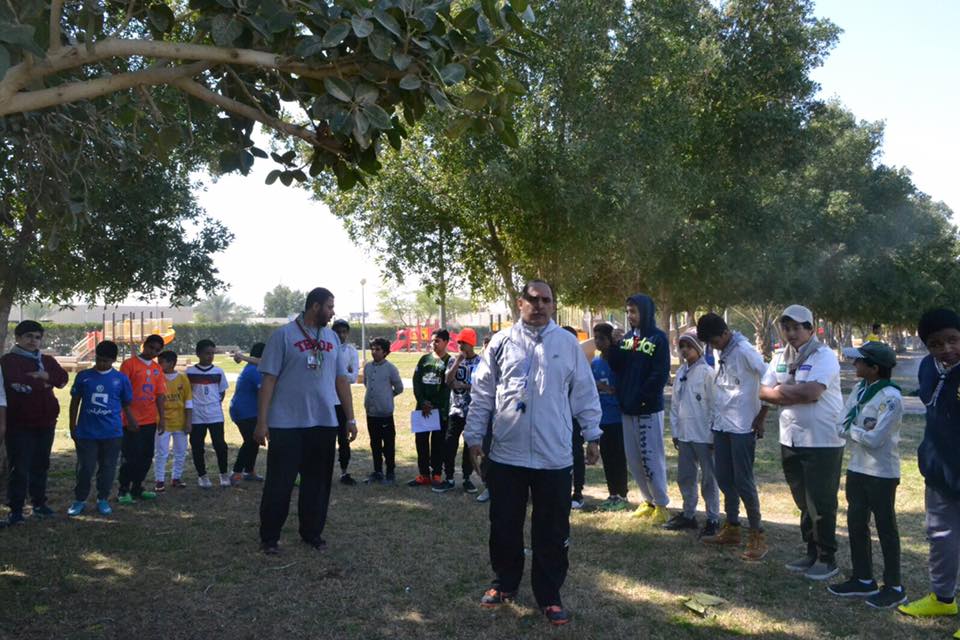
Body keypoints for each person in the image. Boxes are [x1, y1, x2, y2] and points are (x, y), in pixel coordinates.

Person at [464, 280, 603, 626]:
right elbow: (482, 393)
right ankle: (504, 583)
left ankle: (550, 594)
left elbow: (584, 393)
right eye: (533, 299)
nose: (540, 305)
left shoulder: (567, 344)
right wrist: (474, 437)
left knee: (552, 528)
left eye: (547, 300)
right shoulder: (500, 343)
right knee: (504, 524)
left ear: (553, 305)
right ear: (519, 302)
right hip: (508, 454)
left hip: (553, 455)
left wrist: (592, 434)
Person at [255, 287, 357, 555]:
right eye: (329, 307)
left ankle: (312, 532)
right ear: (315, 306)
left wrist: (351, 418)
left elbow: (341, 380)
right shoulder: (283, 336)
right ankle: (270, 537)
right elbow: (268, 380)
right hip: (286, 423)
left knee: (318, 483)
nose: (333, 312)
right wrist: (261, 422)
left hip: (323, 422)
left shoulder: (332, 338)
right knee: (280, 482)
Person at [760, 305, 844, 580]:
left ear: (810, 328)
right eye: (787, 328)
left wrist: (781, 391)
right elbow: (762, 390)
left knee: (820, 502)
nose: (791, 333)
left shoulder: (824, 356)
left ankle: (826, 558)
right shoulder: (780, 357)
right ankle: (811, 551)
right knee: (802, 501)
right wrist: (786, 393)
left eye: (797, 327)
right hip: (791, 438)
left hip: (821, 440)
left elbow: (812, 392)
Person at [827, 341, 906, 609]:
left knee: (886, 528)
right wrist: (857, 432)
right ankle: (863, 578)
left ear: (874, 368)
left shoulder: (891, 398)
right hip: (857, 468)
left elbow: (874, 439)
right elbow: (840, 424)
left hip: (881, 473)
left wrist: (854, 432)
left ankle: (894, 585)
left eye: (859, 361)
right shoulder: (861, 389)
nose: (854, 364)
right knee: (856, 523)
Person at [898, 309, 960, 624]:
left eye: (953, 339)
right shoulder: (927, 367)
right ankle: (942, 598)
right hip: (939, 474)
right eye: (936, 344)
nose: (946, 349)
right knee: (940, 537)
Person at [696, 312, 769, 556]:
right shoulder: (722, 352)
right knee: (725, 478)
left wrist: (762, 415)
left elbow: (769, 378)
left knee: (743, 481)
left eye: (714, 341)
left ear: (725, 333)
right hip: (722, 425)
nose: (713, 347)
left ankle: (757, 534)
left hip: (742, 426)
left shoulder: (745, 351)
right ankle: (732, 528)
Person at [602, 294, 671, 524]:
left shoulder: (659, 339)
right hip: (627, 408)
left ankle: (661, 504)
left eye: (634, 311)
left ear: (645, 311)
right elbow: (617, 366)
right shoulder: (627, 339)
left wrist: (642, 398)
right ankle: (647, 500)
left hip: (647, 408)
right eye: (628, 311)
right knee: (634, 459)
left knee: (650, 457)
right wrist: (613, 345)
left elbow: (659, 374)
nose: (630, 316)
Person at [2, 321, 68, 525]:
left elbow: (63, 379)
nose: (33, 341)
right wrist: (46, 383)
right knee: (20, 467)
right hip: (20, 424)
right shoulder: (9, 360)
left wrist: (43, 375)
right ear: (18, 338)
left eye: (37, 337)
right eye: (29, 336)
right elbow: (17, 385)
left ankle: (39, 503)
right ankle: (16, 510)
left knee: (41, 464)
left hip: (46, 421)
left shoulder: (46, 360)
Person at [67, 341, 134, 516]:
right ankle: (79, 499)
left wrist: (132, 421)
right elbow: (75, 402)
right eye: (99, 359)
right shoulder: (84, 376)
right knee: (85, 468)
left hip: (112, 433)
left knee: (108, 468)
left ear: (113, 360)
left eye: (106, 361)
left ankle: (102, 499)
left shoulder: (121, 379)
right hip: (87, 433)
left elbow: (126, 403)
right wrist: (72, 425)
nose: (101, 363)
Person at [665, 332, 719, 533]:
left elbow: (715, 405)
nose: (685, 350)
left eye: (689, 346)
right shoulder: (680, 373)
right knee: (685, 476)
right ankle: (689, 514)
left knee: (708, 479)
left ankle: (713, 518)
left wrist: (713, 433)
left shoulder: (707, 373)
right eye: (682, 346)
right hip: (685, 435)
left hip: (704, 435)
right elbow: (676, 405)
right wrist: (676, 431)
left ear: (699, 347)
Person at [118, 334, 167, 504]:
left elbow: (160, 394)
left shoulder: (157, 369)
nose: (152, 351)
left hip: (149, 420)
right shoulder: (128, 365)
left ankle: (137, 487)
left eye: (156, 350)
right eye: (150, 347)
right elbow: (121, 393)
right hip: (130, 420)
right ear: (144, 345)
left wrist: (162, 418)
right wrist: (129, 417)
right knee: (130, 456)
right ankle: (123, 490)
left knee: (146, 456)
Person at [436, 327, 482, 494]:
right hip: (455, 410)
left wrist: (463, 385)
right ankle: (448, 477)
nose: (461, 345)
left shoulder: (480, 362)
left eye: (465, 342)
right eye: (460, 342)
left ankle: (466, 478)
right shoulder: (453, 360)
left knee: (469, 444)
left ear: (472, 344)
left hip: (473, 410)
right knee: (449, 444)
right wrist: (457, 362)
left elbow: (482, 386)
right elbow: (448, 381)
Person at [591, 323, 628, 512]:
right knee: (607, 457)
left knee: (618, 457)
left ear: (610, 340)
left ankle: (622, 494)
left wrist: (608, 389)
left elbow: (622, 385)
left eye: (602, 338)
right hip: (601, 417)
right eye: (595, 338)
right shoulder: (595, 363)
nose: (598, 342)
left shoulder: (617, 360)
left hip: (617, 417)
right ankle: (612, 493)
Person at [409, 329, 451, 487]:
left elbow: (447, 387)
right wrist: (422, 402)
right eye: (432, 341)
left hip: (439, 410)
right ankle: (424, 474)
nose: (434, 344)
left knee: (438, 443)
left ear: (446, 342)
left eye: (437, 341)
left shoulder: (449, 361)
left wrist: (434, 405)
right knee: (421, 441)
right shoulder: (424, 359)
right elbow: (416, 382)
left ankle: (437, 474)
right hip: (422, 409)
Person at [186, 339, 230, 488]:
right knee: (197, 445)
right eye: (206, 353)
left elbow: (222, 392)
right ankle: (202, 476)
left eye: (212, 353)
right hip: (197, 414)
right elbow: (187, 394)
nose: (210, 356)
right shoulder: (189, 372)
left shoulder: (218, 371)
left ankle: (223, 474)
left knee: (220, 445)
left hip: (215, 414)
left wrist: (214, 404)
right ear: (198, 354)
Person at [362, 337, 403, 484]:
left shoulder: (390, 368)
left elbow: (399, 388)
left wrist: (387, 396)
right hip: (371, 412)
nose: (374, 352)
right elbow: (367, 384)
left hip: (385, 413)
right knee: (375, 443)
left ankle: (390, 471)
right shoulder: (367, 367)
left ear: (385, 352)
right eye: (372, 349)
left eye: (378, 349)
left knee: (388, 444)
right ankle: (377, 470)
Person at [155, 350, 192, 491]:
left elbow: (188, 401)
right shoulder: (157, 378)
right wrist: (160, 420)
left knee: (181, 451)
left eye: (161, 363)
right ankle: (159, 481)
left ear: (171, 363)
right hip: (162, 422)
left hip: (180, 422)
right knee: (161, 452)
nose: (158, 365)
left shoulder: (183, 379)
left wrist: (188, 422)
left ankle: (176, 478)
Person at [229, 343, 265, 483]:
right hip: (243, 411)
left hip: (248, 410)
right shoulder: (254, 370)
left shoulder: (255, 367)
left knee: (254, 441)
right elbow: (263, 392)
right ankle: (237, 472)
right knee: (250, 441)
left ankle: (249, 471)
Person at [561, 326, 588, 509]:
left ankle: (577, 492)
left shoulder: (580, 363)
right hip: (555, 419)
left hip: (574, 418)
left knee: (576, 454)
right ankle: (559, 490)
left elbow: (586, 394)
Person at [332, 320, 360, 485]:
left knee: (343, 438)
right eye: (338, 332)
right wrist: (344, 373)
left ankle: (344, 471)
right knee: (325, 437)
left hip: (342, 401)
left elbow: (353, 376)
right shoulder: (327, 349)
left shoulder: (351, 351)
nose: (341, 335)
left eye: (344, 332)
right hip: (327, 400)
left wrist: (340, 375)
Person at [475, 332, 496, 504]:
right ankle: (489, 487)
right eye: (486, 343)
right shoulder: (481, 365)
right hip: (487, 418)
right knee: (486, 452)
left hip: (509, 418)